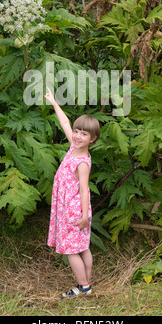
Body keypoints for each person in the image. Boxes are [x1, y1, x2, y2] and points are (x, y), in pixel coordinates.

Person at [44, 87, 100, 299]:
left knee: (70, 250)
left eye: (83, 134)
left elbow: (85, 190)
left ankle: (83, 286)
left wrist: (84, 216)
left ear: (92, 139)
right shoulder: (73, 146)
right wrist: (54, 103)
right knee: (82, 247)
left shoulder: (82, 161)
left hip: (74, 210)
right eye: (77, 131)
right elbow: (65, 122)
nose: (77, 135)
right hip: (73, 208)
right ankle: (86, 284)